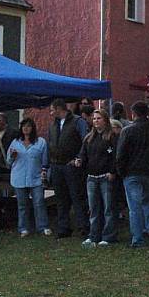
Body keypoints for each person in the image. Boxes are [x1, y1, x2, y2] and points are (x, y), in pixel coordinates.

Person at [117, 101, 149, 248]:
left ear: (133, 114)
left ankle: (137, 238)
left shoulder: (127, 131)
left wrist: (122, 172)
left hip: (132, 172)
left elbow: (121, 155)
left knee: (134, 207)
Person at [48, 98, 89, 239]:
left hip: (72, 166)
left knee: (77, 197)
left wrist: (78, 157)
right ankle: (64, 227)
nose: (51, 113)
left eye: (52, 110)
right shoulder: (53, 125)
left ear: (59, 108)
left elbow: (85, 141)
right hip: (56, 165)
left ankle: (83, 226)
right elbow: (51, 143)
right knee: (61, 198)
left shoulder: (78, 122)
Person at [77, 109, 118, 247]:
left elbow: (115, 156)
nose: (96, 121)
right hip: (91, 177)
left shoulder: (111, 137)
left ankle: (108, 236)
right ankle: (93, 235)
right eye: (94, 119)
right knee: (94, 208)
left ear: (105, 120)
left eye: (99, 118)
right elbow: (83, 154)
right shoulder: (89, 138)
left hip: (106, 177)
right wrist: (79, 160)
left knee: (108, 208)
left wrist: (112, 172)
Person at [7, 118, 50, 237]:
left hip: (36, 177)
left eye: (28, 126)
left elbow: (45, 160)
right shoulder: (15, 142)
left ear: (33, 128)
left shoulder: (40, 142)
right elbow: (8, 162)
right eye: (24, 126)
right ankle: (23, 228)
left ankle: (43, 226)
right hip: (19, 177)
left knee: (39, 202)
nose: (26, 128)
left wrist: (44, 171)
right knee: (22, 205)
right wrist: (12, 156)